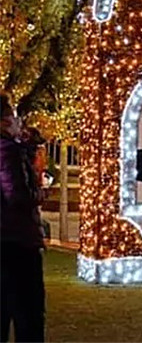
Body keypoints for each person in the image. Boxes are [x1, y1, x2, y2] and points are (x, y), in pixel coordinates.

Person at [0, 93, 46, 343]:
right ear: (4, 121)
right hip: (17, 243)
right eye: (14, 116)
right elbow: (17, 195)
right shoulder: (7, 151)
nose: (20, 122)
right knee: (28, 314)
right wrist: (39, 192)